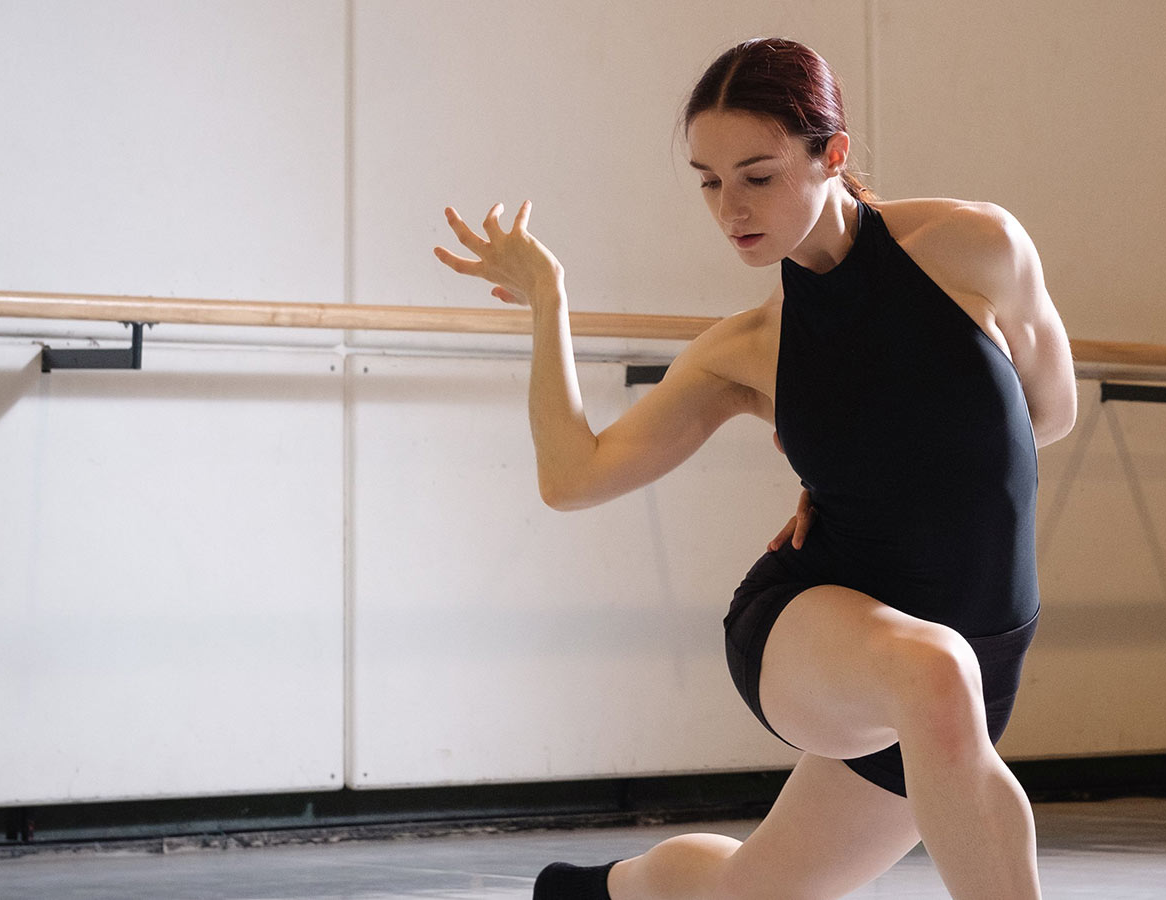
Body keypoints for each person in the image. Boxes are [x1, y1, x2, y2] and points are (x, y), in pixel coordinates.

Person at [435, 37, 1075, 900]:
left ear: (833, 155)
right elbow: (573, 476)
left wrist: (876, 460)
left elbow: (1048, 414)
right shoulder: (749, 349)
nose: (730, 205)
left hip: (977, 655)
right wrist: (549, 303)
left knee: (754, 891)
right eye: (708, 179)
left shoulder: (977, 249)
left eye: (758, 174)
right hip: (816, 631)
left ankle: (596, 891)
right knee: (932, 668)